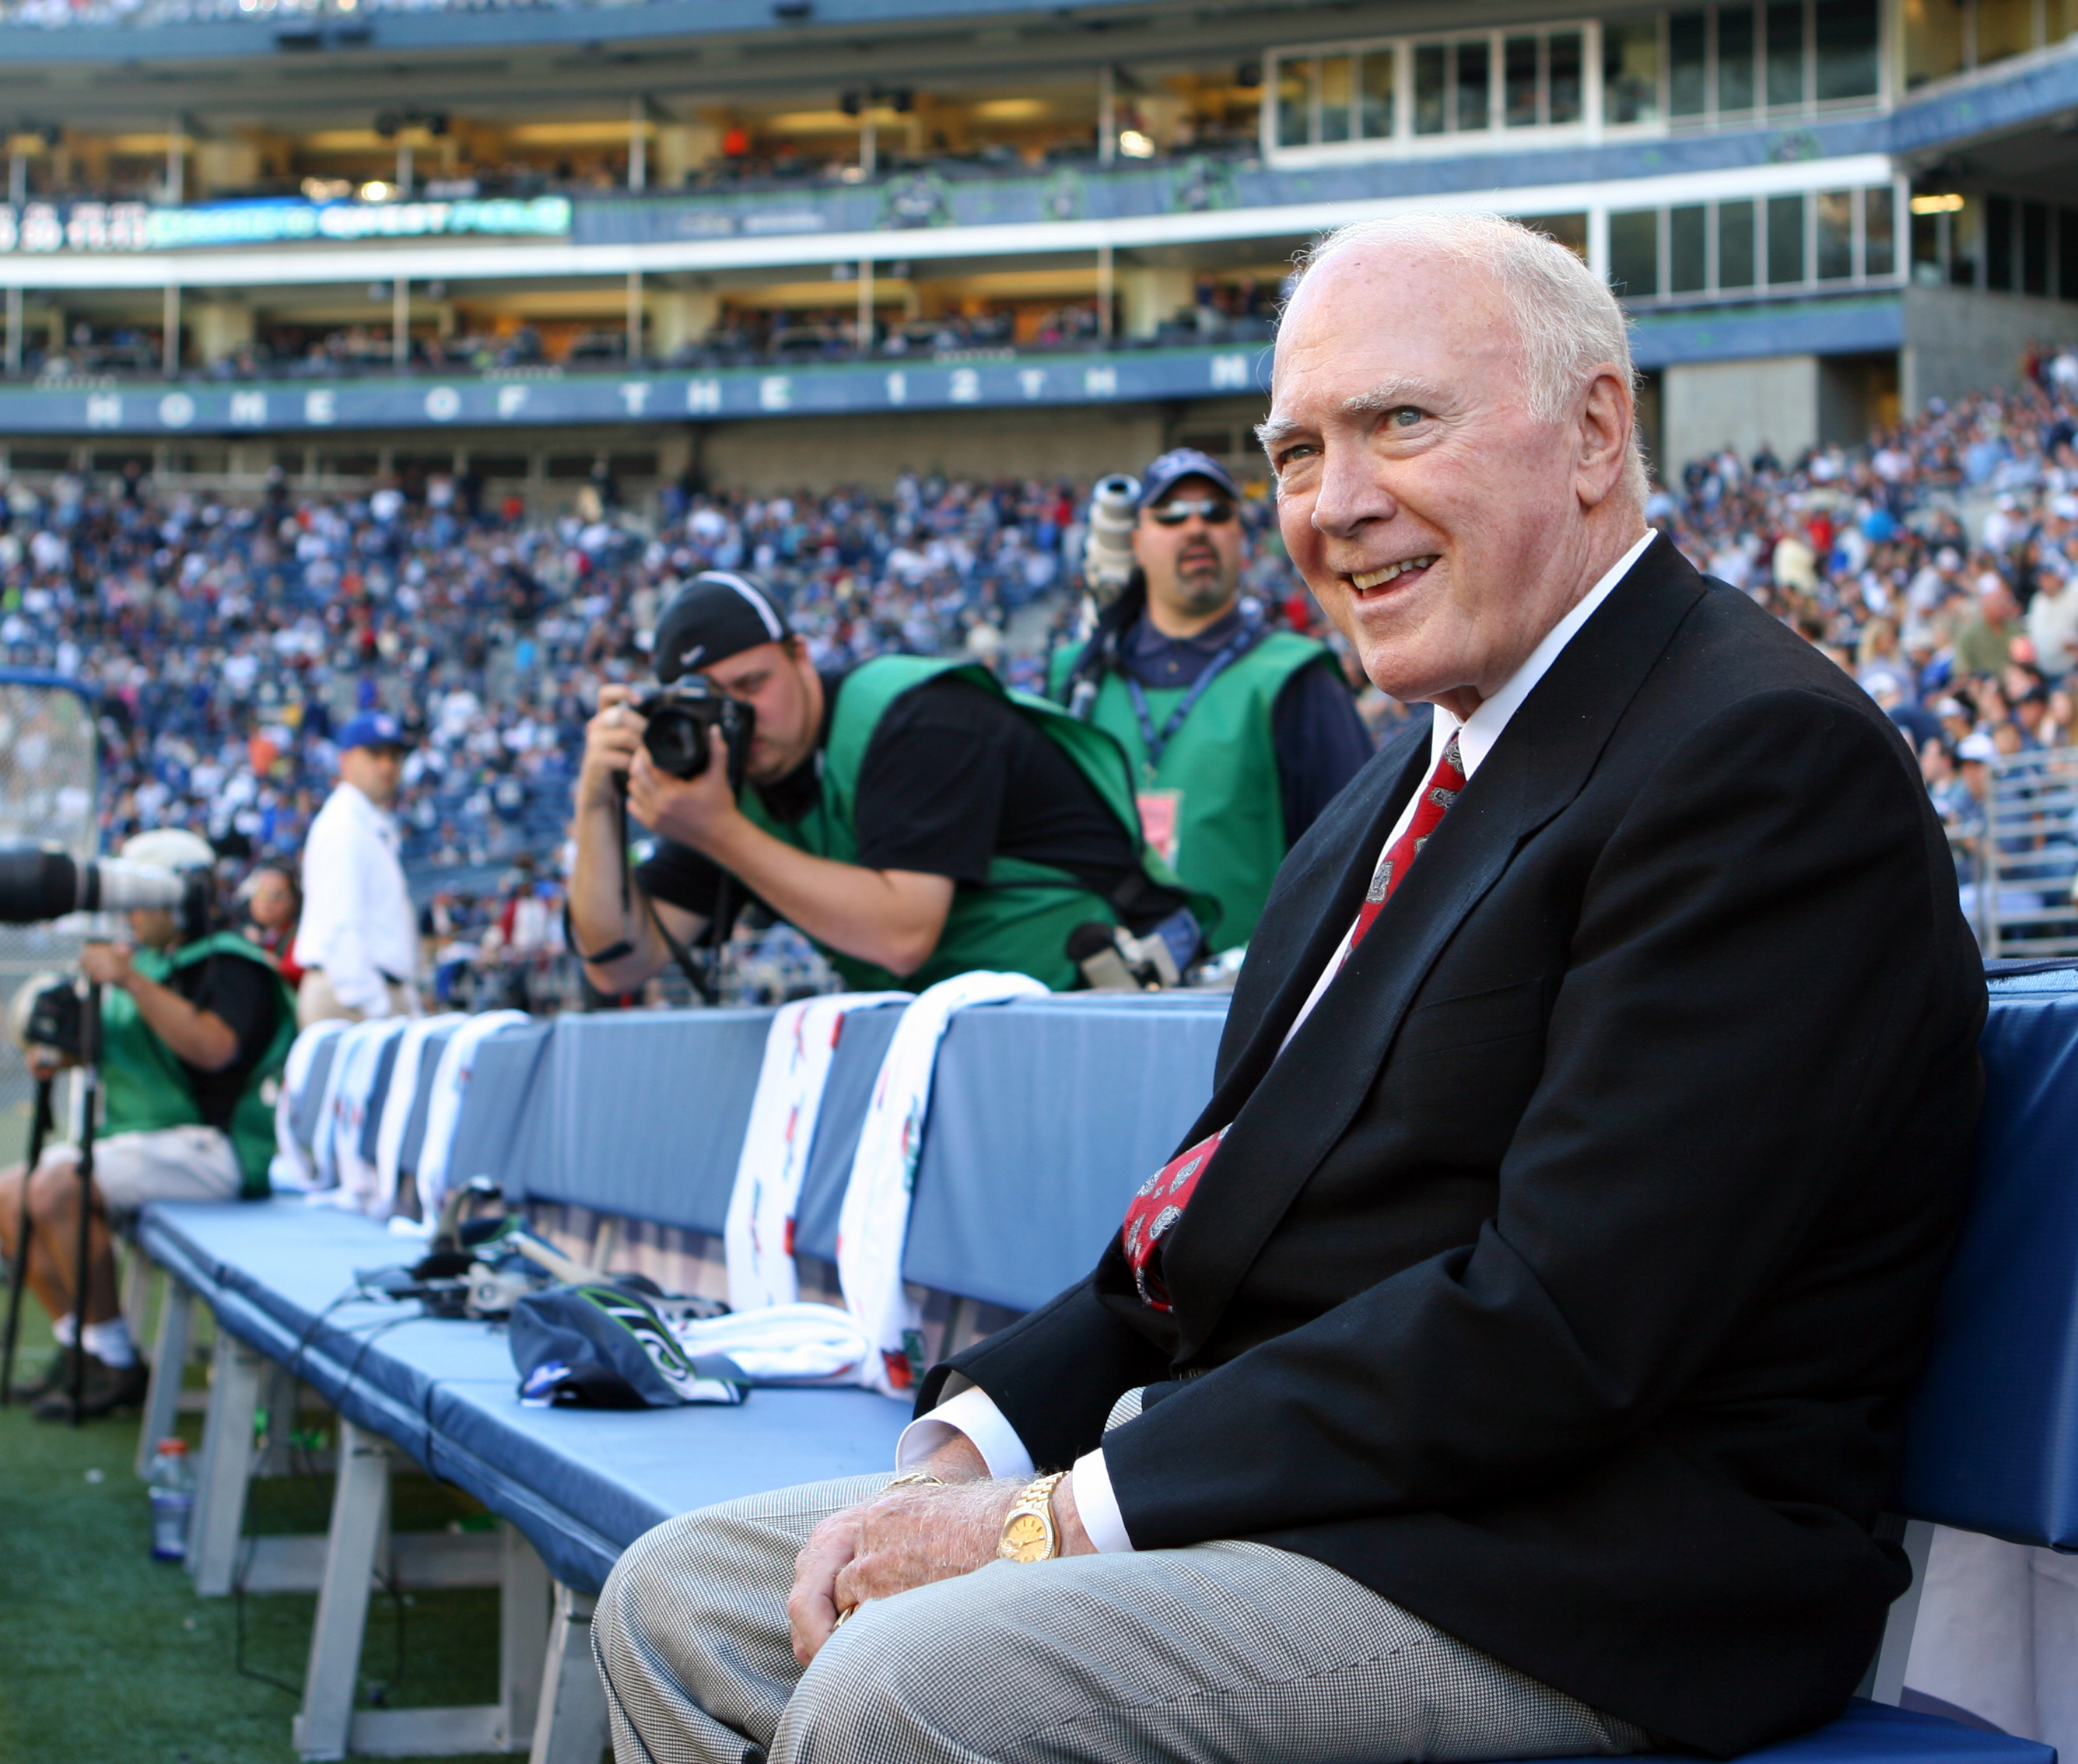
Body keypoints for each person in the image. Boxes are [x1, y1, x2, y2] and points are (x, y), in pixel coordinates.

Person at [592, 212, 1984, 1764]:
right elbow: (1197, 1242)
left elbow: (1562, 1327)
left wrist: (1053, 1520)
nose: (1334, 507)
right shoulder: (1388, 796)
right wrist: (962, 1445)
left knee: (911, 1687)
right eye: (1295, 449)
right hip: (1328, 1491)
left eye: (1399, 421)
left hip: (1578, 1567)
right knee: (683, 1601)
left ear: (1593, 432)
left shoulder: (1755, 760)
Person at [566, 571, 1205, 996]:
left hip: (1123, 978)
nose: (740, 718)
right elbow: (618, 963)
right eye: (713, 703)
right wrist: (596, 803)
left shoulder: (912, 715)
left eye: (752, 686)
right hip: (1015, 1007)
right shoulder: (726, 783)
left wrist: (718, 832)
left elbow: (901, 934)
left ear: (800, 657)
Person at [0, 831, 296, 1421]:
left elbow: (214, 1049)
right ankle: (82, 1350)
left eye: (140, 900)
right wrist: (65, 1051)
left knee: (55, 1189)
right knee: (4, 1196)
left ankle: (121, 1365)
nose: (130, 915)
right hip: (148, 1141)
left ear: (179, 898)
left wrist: (128, 980)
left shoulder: (233, 964)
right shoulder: (151, 963)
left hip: (218, 1146)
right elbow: (133, 1052)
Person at [1052, 448, 1374, 948]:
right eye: (1173, 515)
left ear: (1239, 538)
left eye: (1216, 513)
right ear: (1136, 541)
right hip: (1087, 996)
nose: (1196, 527)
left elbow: (1356, 868)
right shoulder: (1076, 677)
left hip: (1240, 1006)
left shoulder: (1295, 676)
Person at [293, 710, 421, 1027]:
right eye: (375, 754)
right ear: (345, 759)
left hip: (366, 993)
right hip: (349, 999)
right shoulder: (343, 824)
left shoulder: (366, 822)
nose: (387, 766)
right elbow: (340, 927)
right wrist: (377, 1006)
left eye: (394, 756)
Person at [243, 859, 304, 986]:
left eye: (277, 896)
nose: (267, 903)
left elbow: (294, 973)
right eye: (261, 893)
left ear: (293, 902)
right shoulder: (242, 933)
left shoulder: (299, 938)